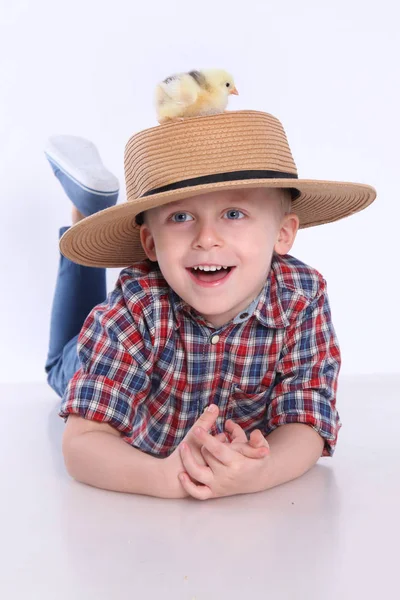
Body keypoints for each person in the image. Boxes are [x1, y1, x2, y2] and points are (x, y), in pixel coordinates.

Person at [44, 110, 376, 501]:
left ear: (283, 234)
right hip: (107, 359)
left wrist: (263, 472)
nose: (207, 239)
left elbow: (307, 420)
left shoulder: (301, 298)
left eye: (234, 214)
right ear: (151, 245)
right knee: (61, 367)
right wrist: (164, 478)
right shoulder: (136, 306)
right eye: (181, 216)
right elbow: (81, 445)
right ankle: (87, 214)